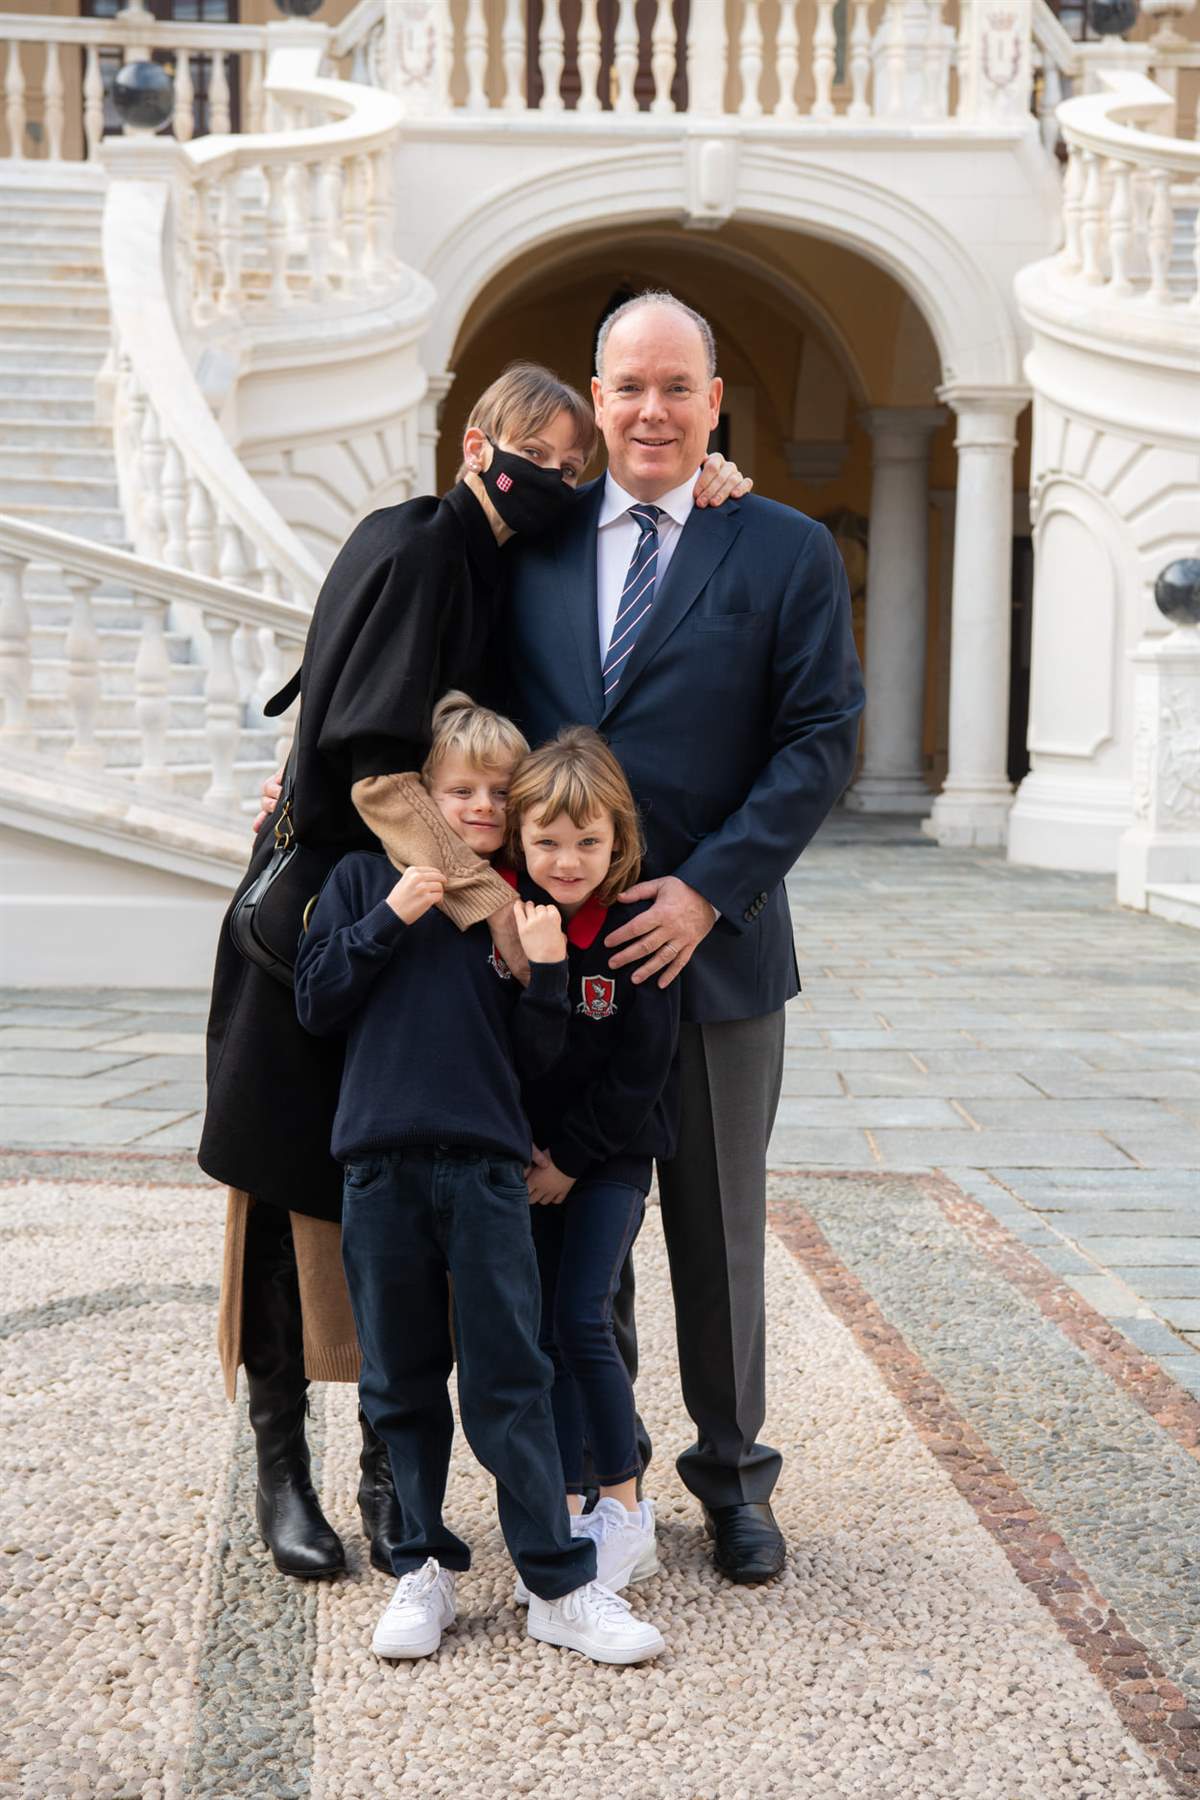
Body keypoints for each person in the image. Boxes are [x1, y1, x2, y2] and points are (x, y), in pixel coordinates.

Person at [202, 361, 750, 1582]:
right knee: (287, 1194)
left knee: (395, 1199)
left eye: (569, 464)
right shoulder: (416, 547)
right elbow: (376, 772)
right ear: (473, 444)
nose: (551, 478)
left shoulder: (494, 559)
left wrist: (708, 479)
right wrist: (498, 910)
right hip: (341, 914)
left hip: (428, 927)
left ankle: (389, 1477)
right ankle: (282, 1469)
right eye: (532, 455)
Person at [499, 292, 866, 1586]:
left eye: (676, 387)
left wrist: (708, 890)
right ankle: (607, 1476)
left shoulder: (781, 549)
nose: (651, 411)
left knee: (719, 1234)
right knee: (575, 1226)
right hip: (559, 963)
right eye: (629, 386)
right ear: (595, 399)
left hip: (717, 956)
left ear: (714, 403)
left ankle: (735, 1479)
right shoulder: (533, 547)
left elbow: (820, 739)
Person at [295, 694, 666, 1666]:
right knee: (400, 1378)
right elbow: (316, 1003)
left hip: (490, 1171)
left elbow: (539, 1064)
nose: (480, 807)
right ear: (426, 789)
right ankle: (421, 1565)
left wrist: (546, 974)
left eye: (500, 792)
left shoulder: (518, 912)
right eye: (460, 789)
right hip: (378, 1163)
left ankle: (558, 1584)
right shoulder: (361, 878)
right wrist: (388, 918)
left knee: (512, 1378)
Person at [502, 728, 679, 1602]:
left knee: (583, 1318)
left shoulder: (636, 931)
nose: (566, 861)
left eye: (587, 842)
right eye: (546, 841)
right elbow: (519, 1058)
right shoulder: (510, 927)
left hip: (609, 1157)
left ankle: (625, 1507)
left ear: (619, 842)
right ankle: (569, 1505)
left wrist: (572, 1159)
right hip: (529, 1162)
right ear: (517, 838)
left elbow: (644, 1069)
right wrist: (542, 971)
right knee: (541, 1331)